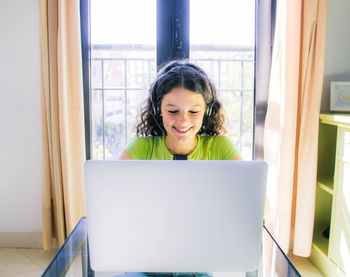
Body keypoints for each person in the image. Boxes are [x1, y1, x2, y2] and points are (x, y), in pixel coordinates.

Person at [119, 60, 242, 160]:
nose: (183, 121)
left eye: (193, 112)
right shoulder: (140, 149)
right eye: (172, 111)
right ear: (158, 109)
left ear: (207, 111)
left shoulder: (221, 148)